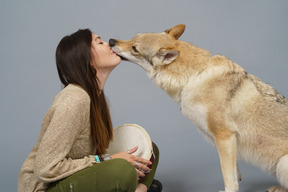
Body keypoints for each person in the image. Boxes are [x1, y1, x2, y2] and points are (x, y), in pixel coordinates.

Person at [18, 29, 162, 192]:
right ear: (86, 59)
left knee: (149, 150)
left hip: (72, 178)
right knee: (122, 169)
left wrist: (109, 159)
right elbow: (45, 168)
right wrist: (107, 159)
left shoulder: (94, 97)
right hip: (45, 188)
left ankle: (137, 189)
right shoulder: (75, 99)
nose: (109, 44)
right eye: (100, 42)